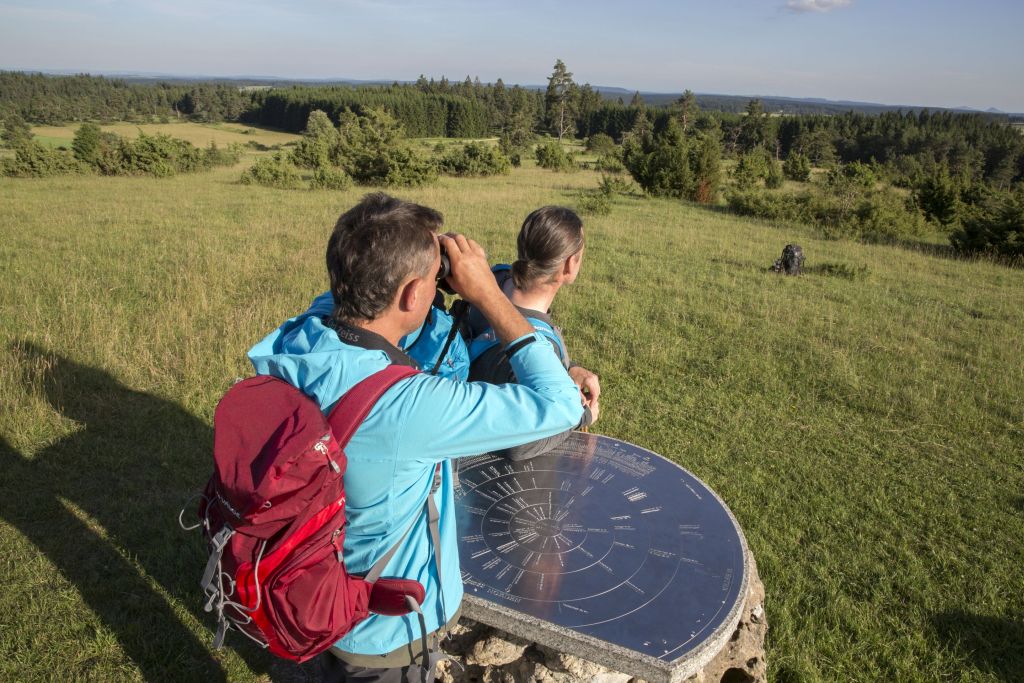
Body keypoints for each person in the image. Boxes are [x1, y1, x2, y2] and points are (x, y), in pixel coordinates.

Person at [247, 193, 583, 682]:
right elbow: (560, 403)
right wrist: (488, 294)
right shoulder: (412, 407)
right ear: (411, 295)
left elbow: (367, 308)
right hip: (380, 635)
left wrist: (421, 272)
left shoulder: (302, 337)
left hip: (301, 590)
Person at [464, 206, 601, 461]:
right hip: (493, 478)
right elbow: (518, 444)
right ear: (569, 265)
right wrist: (581, 416)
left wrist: (569, 369)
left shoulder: (491, 281)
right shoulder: (533, 343)